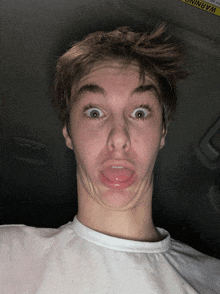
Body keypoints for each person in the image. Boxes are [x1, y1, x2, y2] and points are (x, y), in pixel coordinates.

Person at [1, 24, 219, 294]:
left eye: (140, 113)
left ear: (162, 132)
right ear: (69, 132)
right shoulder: (7, 257)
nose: (118, 137)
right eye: (94, 113)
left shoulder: (213, 279)